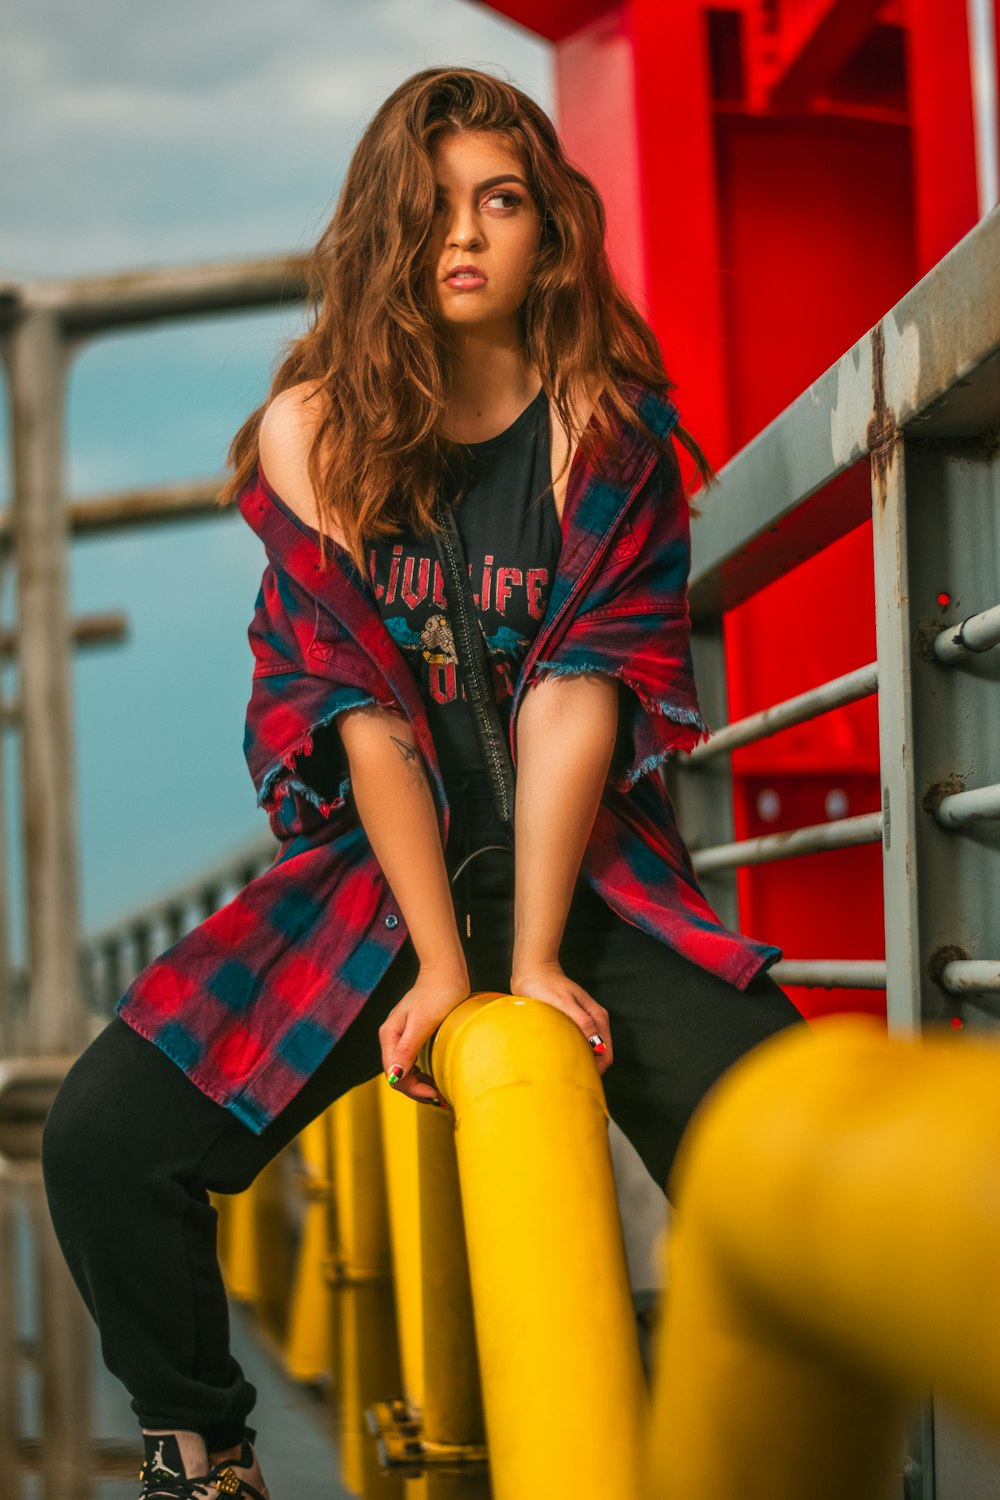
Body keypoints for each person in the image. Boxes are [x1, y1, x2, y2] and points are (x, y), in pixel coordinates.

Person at [40, 65, 803, 1500]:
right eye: (431, 208)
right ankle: (206, 1460)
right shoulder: (319, 428)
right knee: (102, 1143)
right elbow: (365, 718)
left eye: (500, 203)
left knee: (794, 1156)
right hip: (380, 889)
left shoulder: (604, 432)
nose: (465, 237)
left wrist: (530, 959)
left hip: (592, 877)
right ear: (385, 234)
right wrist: (447, 967)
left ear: (548, 234)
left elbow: (580, 695)